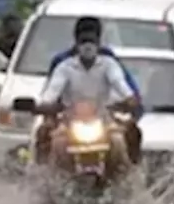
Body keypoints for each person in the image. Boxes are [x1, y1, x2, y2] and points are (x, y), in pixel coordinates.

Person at [34, 26, 140, 176]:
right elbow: (53, 90)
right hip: (70, 119)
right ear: (77, 45)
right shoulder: (65, 67)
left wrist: (129, 98)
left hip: (103, 119)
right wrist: (44, 105)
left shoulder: (109, 64)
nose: (88, 46)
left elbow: (119, 83)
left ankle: (129, 179)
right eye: (84, 42)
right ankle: (45, 178)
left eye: (92, 41)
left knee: (120, 142)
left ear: (98, 44)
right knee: (51, 138)